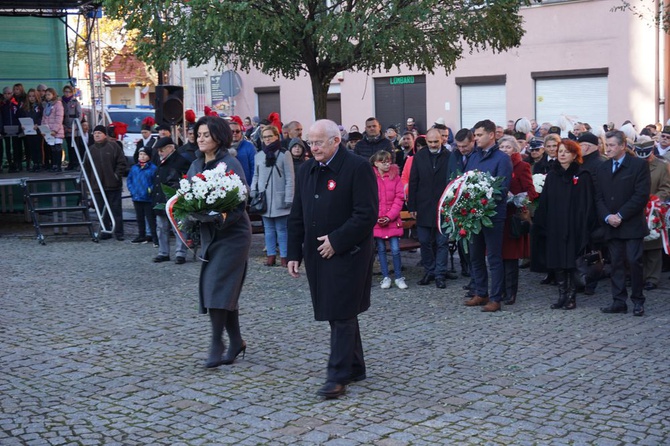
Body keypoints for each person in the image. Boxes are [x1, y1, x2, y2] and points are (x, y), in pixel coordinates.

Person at [287, 119, 378, 399]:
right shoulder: (306, 169)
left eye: (318, 142)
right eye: (309, 142)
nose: (312, 148)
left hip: (349, 252)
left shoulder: (358, 167)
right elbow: (298, 213)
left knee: (341, 313)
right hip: (317, 254)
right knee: (339, 312)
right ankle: (354, 366)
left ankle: (337, 375)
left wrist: (336, 241)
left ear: (335, 141)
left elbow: (366, 214)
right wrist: (293, 253)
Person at [187, 115, 252, 368]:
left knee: (216, 287)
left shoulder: (230, 163)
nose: (201, 138)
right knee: (225, 289)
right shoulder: (196, 164)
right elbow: (188, 196)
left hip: (233, 235)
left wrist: (218, 216)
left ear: (218, 136)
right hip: (209, 235)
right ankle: (236, 341)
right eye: (198, 134)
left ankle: (217, 343)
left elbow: (240, 201)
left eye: (206, 134)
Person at [595, 130, 651, 316]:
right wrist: (607, 216)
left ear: (622, 146)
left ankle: (637, 300)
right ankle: (618, 301)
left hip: (631, 223)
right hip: (611, 223)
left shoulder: (637, 165)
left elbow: (641, 195)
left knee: (634, 262)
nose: (607, 148)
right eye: (606, 145)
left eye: (611, 145)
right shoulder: (603, 167)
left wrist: (620, 215)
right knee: (616, 263)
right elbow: (599, 197)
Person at [464, 119, 513, 312]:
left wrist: (482, 202)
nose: (475, 139)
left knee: (493, 257)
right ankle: (481, 292)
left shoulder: (502, 159)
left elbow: (502, 188)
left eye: (479, 135)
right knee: (475, 257)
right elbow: (466, 181)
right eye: (475, 135)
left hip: (493, 216)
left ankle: (495, 297)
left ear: (491, 135)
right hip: (474, 216)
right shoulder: (474, 156)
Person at [407, 128, 451, 288]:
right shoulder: (419, 156)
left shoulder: (449, 156)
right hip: (423, 205)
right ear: (426, 141)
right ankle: (429, 270)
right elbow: (413, 181)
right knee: (424, 241)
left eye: (436, 141)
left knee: (442, 243)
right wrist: (412, 205)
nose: (433, 144)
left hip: (443, 207)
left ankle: (440, 273)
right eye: (430, 142)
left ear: (442, 140)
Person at [498, 136, 538, 305]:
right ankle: (498, 290)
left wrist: (516, 198)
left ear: (515, 149)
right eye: (502, 146)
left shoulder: (522, 166)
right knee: (497, 256)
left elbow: (531, 192)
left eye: (508, 147)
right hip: (497, 217)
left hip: (513, 217)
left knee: (511, 257)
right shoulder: (496, 165)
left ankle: (511, 292)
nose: (504, 149)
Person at [250, 125, 295, 267]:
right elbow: (256, 175)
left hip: (280, 197)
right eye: (265, 137)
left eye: (270, 136)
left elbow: (290, 177)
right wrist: (253, 190)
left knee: (282, 229)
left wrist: (289, 197)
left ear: (276, 136)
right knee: (268, 230)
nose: (267, 139)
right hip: (265, 199)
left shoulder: (284, 154)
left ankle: (284, 255)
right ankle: (270, 255)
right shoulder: (259, 156)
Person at [632, 138, 670, 291]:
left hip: (653, 209)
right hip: (634, 208)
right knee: (637, 245)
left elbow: (666, 188)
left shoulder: (662, 167)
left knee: (653, 245)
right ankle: (637, 276)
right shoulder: (632, 165)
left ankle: (652, 278)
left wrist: (655, 199)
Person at [370, 150, 407, 290]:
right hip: (377, 220)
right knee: (381, 250)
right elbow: (370, 198)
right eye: (383, 161)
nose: (386, 164)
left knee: (396, 249)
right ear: (376, 163)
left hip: (392, 220)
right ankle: (386, 277)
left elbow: (399, 198)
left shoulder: (395, 177)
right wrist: (378, 216)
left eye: (388, 161)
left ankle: (398, 276)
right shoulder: (371, 178)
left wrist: (389, 216)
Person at [151, 137, 192, 264]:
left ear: (170, 148)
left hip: (175, 199)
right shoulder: (160, 160)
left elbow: (186, 179)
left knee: (179, 227)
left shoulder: (181, 161)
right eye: (158, 150)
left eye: (162, 150)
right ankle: (163, 252)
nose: (160, 153)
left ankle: (180, 253)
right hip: (161, 198)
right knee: (161, 227)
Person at [84, 125, 127, 240]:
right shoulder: (90, 150)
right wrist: (90, 182)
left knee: (116, 210)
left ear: (105, 134)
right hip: (97, 185)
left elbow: (122, 163)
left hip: (113, 185)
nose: (97, 135)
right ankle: (106, 230)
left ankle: (119, 232)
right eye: (95, 133)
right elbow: (86, 168)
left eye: (99, 133)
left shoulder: (113, 147)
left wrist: (116, 176)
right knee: (101, 210)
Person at [127, 147, 158, 245]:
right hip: (136, 196)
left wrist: (151, 190)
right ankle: (141, 235)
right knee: (139, 218)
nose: (142, 157)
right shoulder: (134, 168)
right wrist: (132, 190)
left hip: (147, 198)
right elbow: (129, 180)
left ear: (149, 156)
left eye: (144, 154)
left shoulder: (153, 168)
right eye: (140, 154)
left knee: (150, 219)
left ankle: (155, 237)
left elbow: (155, 181)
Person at [41, 88, 65, 172]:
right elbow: (44, 118)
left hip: (56, 131)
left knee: (57, 147)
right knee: (52, 148)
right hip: (48, 131)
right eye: (46, 95)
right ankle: (54, 164)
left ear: (53, 95)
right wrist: (43, 130)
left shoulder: (58, 104)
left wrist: (54, 130)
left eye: (49, 94)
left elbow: (59, 118)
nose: (47, 96)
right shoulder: (47, 105)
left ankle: (58, 165)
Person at [19, 88, 43, 172]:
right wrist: (22, 124)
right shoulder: (25, 107)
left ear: (36, 96)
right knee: (31, 147)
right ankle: (35, 163)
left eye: (33, 96)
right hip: (29, 130)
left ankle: (40, 163)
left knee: (38, 147)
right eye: (30, 96)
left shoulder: (40, 106)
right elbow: (22, 117)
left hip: (37, 130)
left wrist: (38, 124)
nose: (31, 98)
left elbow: (42, 117)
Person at [228, 116, 255, 184]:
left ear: (241, 132)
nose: (235, 133)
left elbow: (254, 168)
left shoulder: (249, 147)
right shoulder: (222, 147)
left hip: (245, 185)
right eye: (232, 131)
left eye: (237, 131)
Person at [61, 85, 82, 170]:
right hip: (66, 125)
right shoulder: (61, 102)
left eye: (69, 92)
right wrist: (64, 127)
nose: (67, 93)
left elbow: (80, 115)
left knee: (75, 147)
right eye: (66, 91)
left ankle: (76, 163)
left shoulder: (75, 102)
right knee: (69, 146)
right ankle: (71, 163)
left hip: (74, 126)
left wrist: (76, 126)